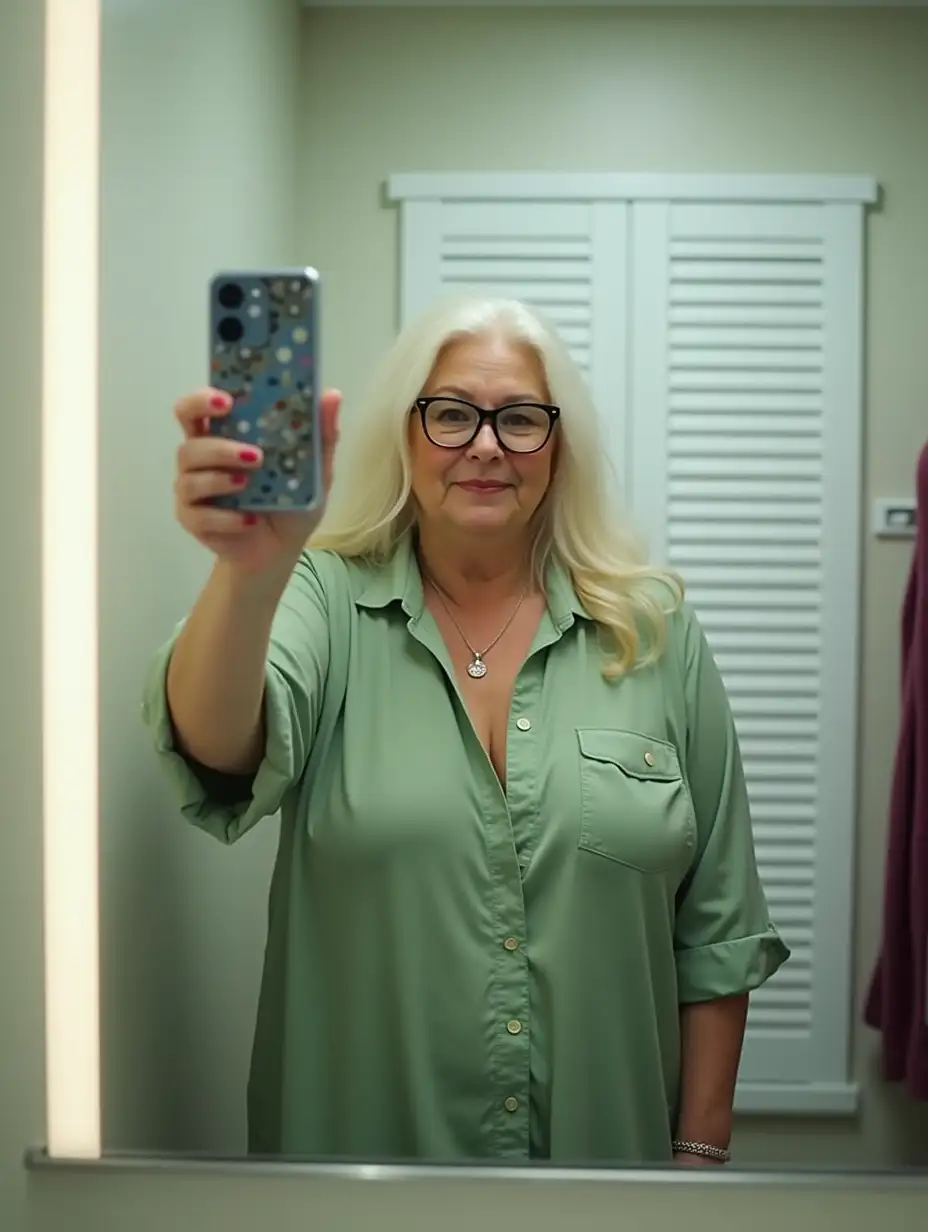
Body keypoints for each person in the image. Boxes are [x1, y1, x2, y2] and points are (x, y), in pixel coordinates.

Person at [143, 294, 789, 1165]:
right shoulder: (323, 598)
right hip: (359, 1190)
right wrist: (250, 574)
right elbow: (217, 745)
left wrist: (698, 1164)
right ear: (404, 436)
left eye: (520, 418)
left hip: (613, 1192)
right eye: (451, 414)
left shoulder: (655, 634)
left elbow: (716, 930)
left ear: (558, 450)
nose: (485, 444)